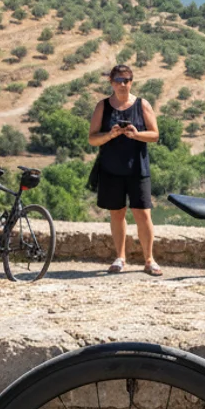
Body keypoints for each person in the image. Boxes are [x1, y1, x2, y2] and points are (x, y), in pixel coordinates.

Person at [88, 65, 161, 276]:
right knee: (117, 214)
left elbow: (155, 135)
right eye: (118, 80)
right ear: (111, 82)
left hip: (138, 168)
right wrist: (110, 135)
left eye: (127, 80)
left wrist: (136, 134)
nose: (123, 84)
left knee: (143, 214)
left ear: (132, 81)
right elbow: (92, 138)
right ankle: (120, 258)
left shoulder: (141, 104)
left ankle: (149, 260)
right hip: (111, 169)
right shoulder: (102, 107)